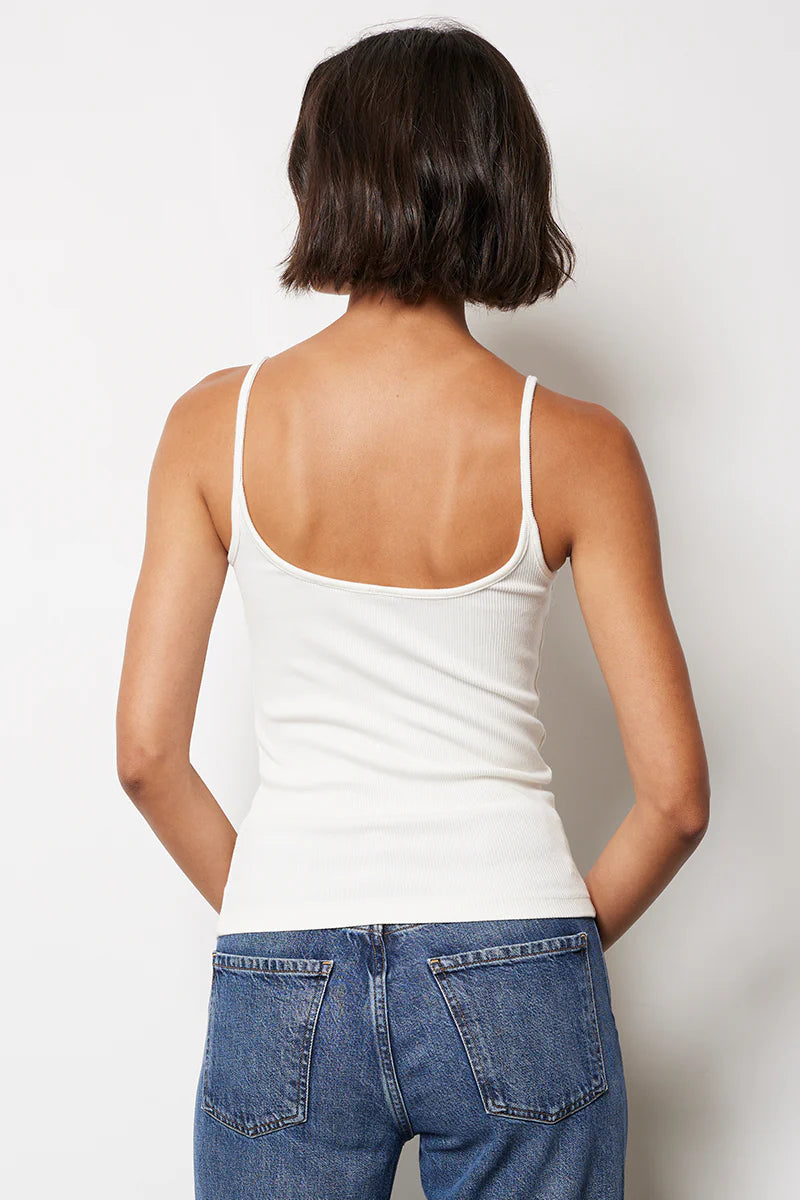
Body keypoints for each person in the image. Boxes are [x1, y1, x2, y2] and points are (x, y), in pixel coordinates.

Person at [116, 20, 710, 1200]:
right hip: (514, 940)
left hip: (282, 953)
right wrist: (535, 952)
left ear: (323, 180)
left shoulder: (212, 427)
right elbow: (676, 800)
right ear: (502, 181)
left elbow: (145, 757)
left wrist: (286, 908)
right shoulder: (577, 447)